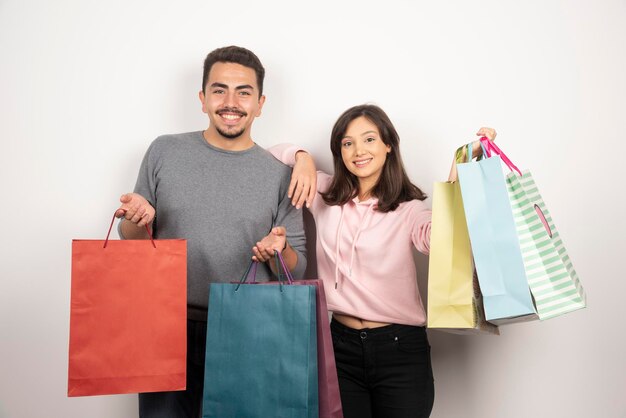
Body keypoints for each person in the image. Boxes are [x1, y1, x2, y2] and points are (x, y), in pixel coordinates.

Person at [253, 104, 496, 418]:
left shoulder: (409, 209)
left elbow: (443, 242)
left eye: (369, 139)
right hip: (340, 346)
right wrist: (303, 157)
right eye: (347, 143)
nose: (358, 151)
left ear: (388, 145)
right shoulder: (325, 194)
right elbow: (269, 153)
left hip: (400, 349)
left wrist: (461, 167)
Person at [115, 45, 307, 418]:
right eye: (219, 90)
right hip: (165, 324)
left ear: (260, 103)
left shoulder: (281, 175)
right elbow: (132, 240)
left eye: (244, 92)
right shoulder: (164, 151)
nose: (230, 102)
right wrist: (136, 221)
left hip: (248, 330)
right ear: (202, 99)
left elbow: (295, 269)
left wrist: (278, 250)